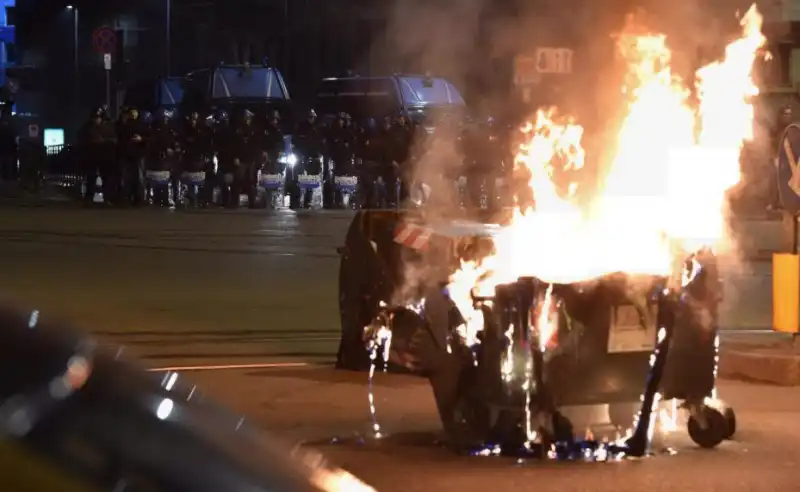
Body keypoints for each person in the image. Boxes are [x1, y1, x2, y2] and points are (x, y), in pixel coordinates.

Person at [78, 108, 116, 205]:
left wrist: (105, 142)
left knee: (106, 177)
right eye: (95, 118)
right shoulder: (87, 127)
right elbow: (81, 140)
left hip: (105, 156)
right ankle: (89, 198)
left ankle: (107, 197)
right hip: (91, 156)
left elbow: (113, 140)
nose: (96, 120)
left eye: (98, 118)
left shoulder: (108, 127)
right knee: (91, 177)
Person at [223, 110, 260, 208]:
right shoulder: (238, 131)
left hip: (250, 160)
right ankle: (234, 203)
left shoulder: (253, 131)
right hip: (241, 160)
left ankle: (252, 203)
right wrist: (235, 157)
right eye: (246, 118)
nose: (247, 120)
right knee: (237, 181)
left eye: (248, 118)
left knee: (251, 182)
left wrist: (256, 159)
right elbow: (234, 145)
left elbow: (256, 146)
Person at [116, 108, 149, 206]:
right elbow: (121, 139)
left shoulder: (142, 125)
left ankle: (139, 198)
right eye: (132, 113)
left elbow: (149, 138)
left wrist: (142, 139)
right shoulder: (125, 125)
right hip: (127, 155)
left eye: (135, 112)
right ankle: (128, 197)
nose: (134, 114)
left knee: (139, 177)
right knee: (127, 177)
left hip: (138, 155)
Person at [147, 109, 177, 207]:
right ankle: (156, 198)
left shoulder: (169, 130)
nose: (166, 120)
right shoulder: (154, 130)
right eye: (164, 118)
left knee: (166, 179)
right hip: (157, 158)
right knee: (157, 179)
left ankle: (164, 198)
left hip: (166, 159)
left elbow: (173, 142)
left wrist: (173, 149)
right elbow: (153, 143)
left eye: (167, 118)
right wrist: (164, 149)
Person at [180, 112, 211, 206]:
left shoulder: (202, 132)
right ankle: (191, 197)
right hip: (189, 160)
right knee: (189, 179)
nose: (193, 121)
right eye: (192, 119)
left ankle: (202, 198)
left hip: (199, 160)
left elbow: (206, 145)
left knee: (202, 179)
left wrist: (206, 156)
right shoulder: (185, 131)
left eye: (195, 119)